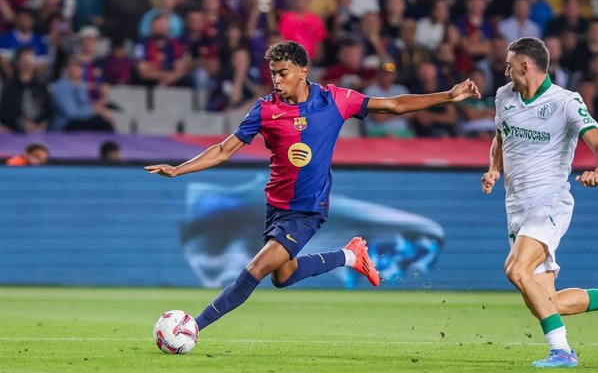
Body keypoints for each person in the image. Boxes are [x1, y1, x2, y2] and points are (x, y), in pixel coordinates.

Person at [145, 40, 480, 333]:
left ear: (303, 71)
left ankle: (192, 327)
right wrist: (179, 170)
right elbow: (223, 150)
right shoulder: (265, 110)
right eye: (273, 72)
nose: (276, 80)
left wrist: (448, 96)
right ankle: (350, 255)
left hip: (307, 210)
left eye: (284, 72)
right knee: (283, 277)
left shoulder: (335, 100)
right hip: (276, 208)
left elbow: (393, 105)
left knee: (255, 270)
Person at [480, 37, 598, 368]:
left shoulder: (566, 102)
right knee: (545, 301)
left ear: (525, 66)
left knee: (516, 269)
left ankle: (562, 351)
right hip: (516, 207)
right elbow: (500, 137)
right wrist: (494, 169)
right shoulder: (504, 96)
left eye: (509, 65)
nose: (504, 70)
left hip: (550, 202)